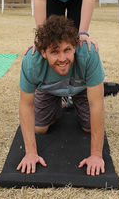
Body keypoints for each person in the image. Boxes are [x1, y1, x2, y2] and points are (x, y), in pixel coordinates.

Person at [17, 15, 105, 176]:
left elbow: (96, 104)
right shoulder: (31, 61)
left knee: (89, 127)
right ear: (43, 52)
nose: (62, 58)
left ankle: (71, 101)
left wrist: (96, 155)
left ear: (75, 47)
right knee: (39, 129)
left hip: (81, 88)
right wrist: (30, 153)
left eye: (67, 50)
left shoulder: (89, 54)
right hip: (48, 89)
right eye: (55, 52)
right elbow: (25, 104)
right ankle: (60, 103)